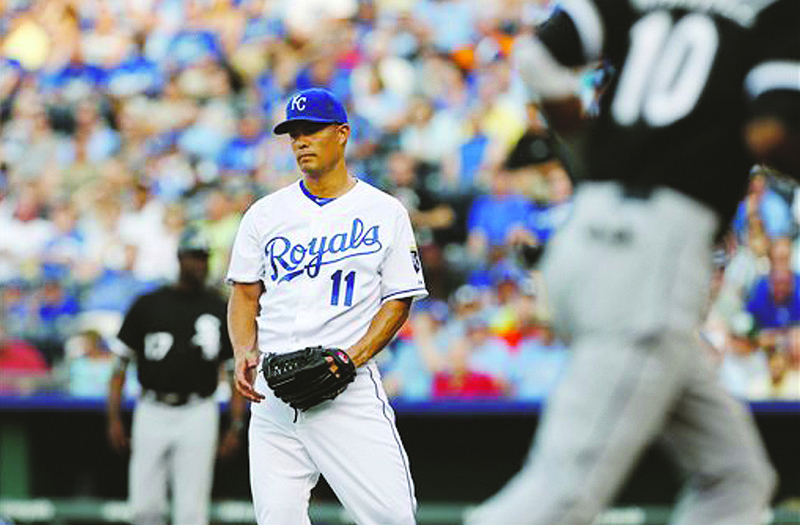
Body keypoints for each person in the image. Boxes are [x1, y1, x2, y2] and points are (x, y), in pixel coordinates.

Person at [466, 1, 800, 523]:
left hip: (588, 234)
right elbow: (773, 131)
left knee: (734, 477)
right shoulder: (773, 12)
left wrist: (592, 146)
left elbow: (534, 56)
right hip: (653, 257)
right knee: (563, 493)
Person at [226, 87, 428, 525]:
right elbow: (244, 293)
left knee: (392, 518)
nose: (301, 141)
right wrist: (243, 348)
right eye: (294, 133)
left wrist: (348, 359)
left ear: (342, 134)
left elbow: (398, 300)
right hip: (273, 390)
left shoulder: (383, 211)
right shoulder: (264, 214)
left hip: (345, 389)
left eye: (312, 131)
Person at [106, 227, 246, 525]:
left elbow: (235, 370)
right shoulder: (148, 303)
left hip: (199, 409)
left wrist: (235, 424)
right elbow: (120, 366)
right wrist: (114, 418)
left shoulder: (217, 306)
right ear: (179, 258)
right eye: (194, 257)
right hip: (152, 407)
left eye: (204, 258)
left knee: (192, 510)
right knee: (144, 506)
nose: (199, 264)